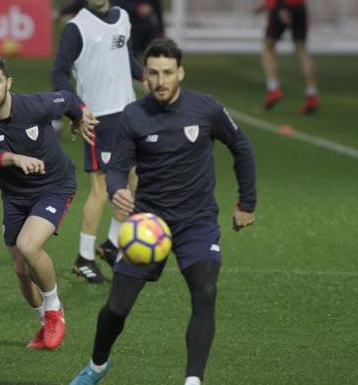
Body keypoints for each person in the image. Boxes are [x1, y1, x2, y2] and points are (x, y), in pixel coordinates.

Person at [68, 38, 257, 385]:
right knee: (117, 308)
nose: (160, 81)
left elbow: (241, 147)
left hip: (196, 222)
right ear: (145, 77)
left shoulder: (206, 109)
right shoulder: (134, 116)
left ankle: (193, 380)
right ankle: (97, 366)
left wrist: (247, 203)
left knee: (206, 292)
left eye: (167, 73)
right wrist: (117, 189)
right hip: (147, 223)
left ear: (180, 73)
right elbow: (116, 167)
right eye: (153, 73)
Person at [0, 54, 97, 350]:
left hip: (55, 186)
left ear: (8, 83)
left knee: (28, 245)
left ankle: (54, 310)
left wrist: (79, 117)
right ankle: (43, 320)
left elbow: (66, 98)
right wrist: (14, 158)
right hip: (14, 197)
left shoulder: (34, 106)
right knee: (22, 271)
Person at [52, 0, 145, 283]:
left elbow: (126, 58)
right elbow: (58, 73)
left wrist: (145, 76)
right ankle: (85, 257)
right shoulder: (76, 27)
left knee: (138, 180)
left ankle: (112, 243)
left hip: (129, 112)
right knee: (101, 190)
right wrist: (78, 109)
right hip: (99, 118)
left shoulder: (123, 18)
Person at [254, 0, 319, 114]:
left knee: (268, 48)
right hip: (300, 6)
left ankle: (273, 89)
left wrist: (279, 8)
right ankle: (312, 94)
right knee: (302, 50)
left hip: (281, 6)